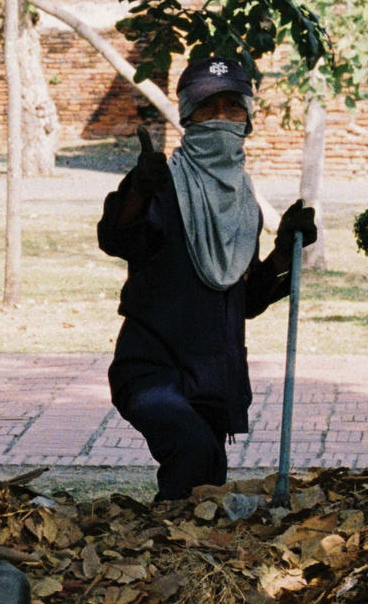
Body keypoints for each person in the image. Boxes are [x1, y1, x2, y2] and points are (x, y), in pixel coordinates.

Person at [99, 53, 316, 500]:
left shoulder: (243, 203)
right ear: (186, 117)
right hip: (152, 370)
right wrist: (137, 188)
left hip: (213, 381)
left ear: (248, 119)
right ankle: (154, 560)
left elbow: (246, 298)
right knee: (194, 456)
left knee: (208, 481)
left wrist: (284, 250)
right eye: (207, 107)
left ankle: (177, 562)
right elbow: (118, 236)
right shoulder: (163, 184)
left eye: (231, 107)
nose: (220, 118)